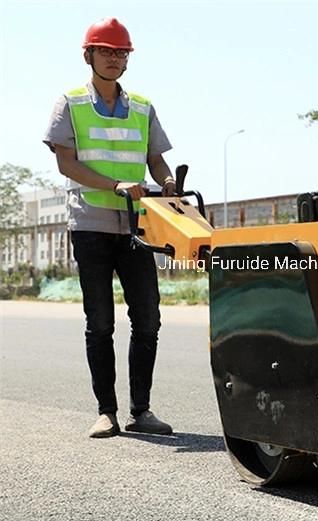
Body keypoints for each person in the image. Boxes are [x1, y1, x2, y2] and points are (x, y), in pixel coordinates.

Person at [43, 18, 175, 438]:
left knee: (149, 320)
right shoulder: (71, 104)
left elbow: (156, 159)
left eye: (121, 53)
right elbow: (67, 163)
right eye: (106, 51)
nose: (114, 59)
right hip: (91, 224)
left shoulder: (142, 107)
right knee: (100, 322)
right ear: (90, 55)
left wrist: (168, 180)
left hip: (137, 226)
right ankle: (106, 412)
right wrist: (115, 185)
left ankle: (142, 410)